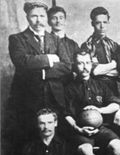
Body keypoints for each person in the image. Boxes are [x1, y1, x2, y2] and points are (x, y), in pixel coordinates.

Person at [8, 0, 72, 141]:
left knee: (58, 137)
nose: (38, 20)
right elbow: (22, 62)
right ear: (27, 18)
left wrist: (42, 72)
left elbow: (67, 66)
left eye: (42, 16)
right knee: (30, 136)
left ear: (46, 18)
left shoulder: (56, 39)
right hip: (27, 97)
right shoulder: (17, 39)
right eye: (34, 16)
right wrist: (49, 59)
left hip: (54, 96)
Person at [64, 50, 120, 155]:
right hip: (80, 131)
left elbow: (116, 104)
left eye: (87, 62)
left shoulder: (101, 85)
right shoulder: (69, 88)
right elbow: (67, 114)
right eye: (80, 63)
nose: (84, 67)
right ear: (75, 65)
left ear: (91, 64)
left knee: (117, 146)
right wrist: (78, 129)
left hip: (101, 128)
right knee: (86, 150)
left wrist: (100, 110)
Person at [81, 6, 120, 95]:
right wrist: (113, 64)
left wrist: (101, 69)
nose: (102, 26)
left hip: (112, 87)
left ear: (108, 23)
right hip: (94, 87)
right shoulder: (87, 45)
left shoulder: (114, 45)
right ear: (92, 24)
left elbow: (119, 71)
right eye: (98, 22)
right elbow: (93, 71)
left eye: (105, 22)